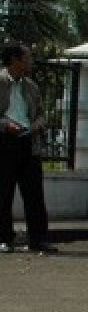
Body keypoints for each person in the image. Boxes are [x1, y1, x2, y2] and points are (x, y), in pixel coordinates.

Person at [0, 43, 55, 254]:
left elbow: (41, 112)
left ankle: (38, 239)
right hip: (5, 141)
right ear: (15, 60)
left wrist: (39, 123)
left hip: (28, 141)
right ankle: (4, 238)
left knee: (34, 194)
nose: (30, 62)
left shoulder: (31, 87)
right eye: (27, 58)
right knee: (3, 193)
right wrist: (6, 125)